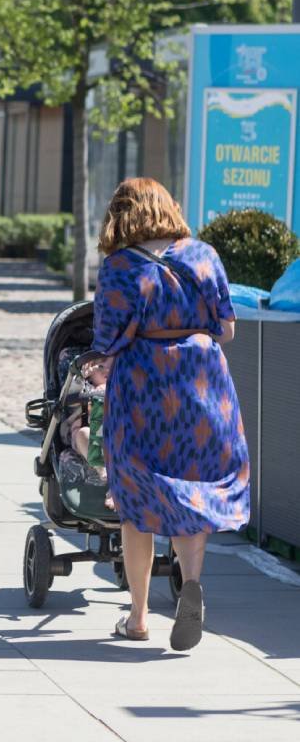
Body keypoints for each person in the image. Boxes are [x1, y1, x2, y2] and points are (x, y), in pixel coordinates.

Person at [91, 177, 248, 651]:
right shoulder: (203, 254)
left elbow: (107, 341)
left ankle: (138, 616)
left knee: (137, 495)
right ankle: (192, 581)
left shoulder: (119, 266)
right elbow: (227, 329)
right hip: (204, 382)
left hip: (144, 385)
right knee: (192, 485)